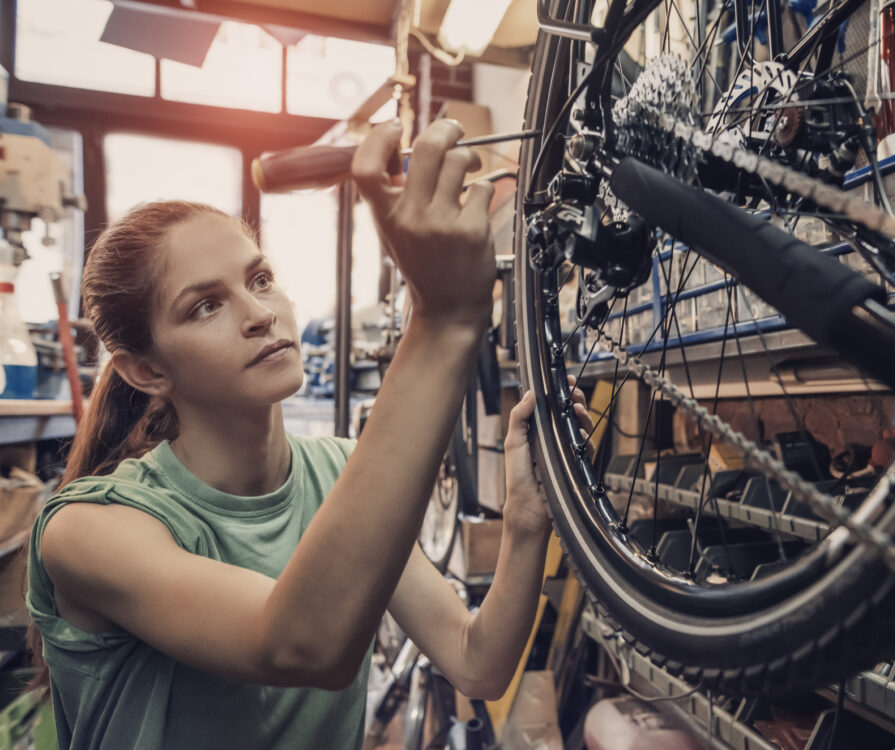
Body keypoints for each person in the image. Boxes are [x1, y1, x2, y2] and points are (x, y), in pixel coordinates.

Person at [24, 119, 591, 749]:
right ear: (147, 369)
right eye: (205, 305)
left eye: (260, 279)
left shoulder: (340, 473)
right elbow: (299, 646)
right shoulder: (87, 531)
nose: (261, 314)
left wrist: (527, 521)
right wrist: (443, 317)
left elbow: (476, 661)